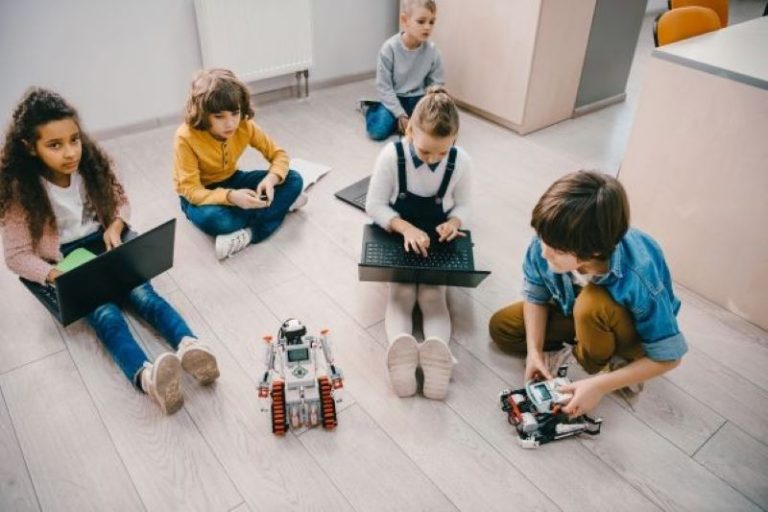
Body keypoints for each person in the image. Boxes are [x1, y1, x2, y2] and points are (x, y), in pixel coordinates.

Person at [0, 88, 219, 415]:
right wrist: (54, 274)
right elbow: (16, 256)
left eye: (74, 139)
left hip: (104, 242)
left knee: (146, 296)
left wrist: (116, 225)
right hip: (65, 260)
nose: (70, 152)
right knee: (105, 315)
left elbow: (120, 202)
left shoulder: (90, 165)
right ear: (29, 148)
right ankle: (147, 377)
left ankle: (190, 346)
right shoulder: (20, 191)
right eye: (55, 145)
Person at [489, 171, 688, 416]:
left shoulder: (639, 273)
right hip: (575, 310)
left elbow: (670, 357)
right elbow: (535, 295)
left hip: (626, 330)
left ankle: (610, 366)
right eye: (542, 241)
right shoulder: (552, 239)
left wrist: (598, 386)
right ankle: (583, 346)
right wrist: (534, 352)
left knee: (591, 304)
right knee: (502, 327)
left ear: (593, 251)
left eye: (556, 251)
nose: (543, 253)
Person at [366, 86, 470, 399]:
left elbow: (465, 206)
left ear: (455, 139)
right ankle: (401, 354)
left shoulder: (461, 161)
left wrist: (454, 222)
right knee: (401, 290)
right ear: (409, 129)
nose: (434, 159)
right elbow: (374, 205)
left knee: (433, 293)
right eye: (426, 152)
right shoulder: (391, 155)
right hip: (397, 233)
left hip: (437, 237)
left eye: (443, 152)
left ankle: (438, 357)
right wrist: (406, 228)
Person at [174, 68, 306, 260]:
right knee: (218, 221)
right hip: (199, 193)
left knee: (294, 179)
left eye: (234, 113)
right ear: (203, 114)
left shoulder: (244, 124)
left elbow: (279, 155)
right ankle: (279, 207)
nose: (230, 124)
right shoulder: (185, 137)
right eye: (219, 117)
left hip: (232, 179)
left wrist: (270, 179)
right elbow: (191, 190)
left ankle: (249, 233)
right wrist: (231, 197)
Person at [363, 0, 444, 141]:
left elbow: (435, 82)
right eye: (421, 21)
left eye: (431, 22)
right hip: (394, 97)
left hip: (419, 99)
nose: (427, 27)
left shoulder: (433, 51)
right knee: (377, 131)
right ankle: (371, 109)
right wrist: (400, 114)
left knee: (438, 127)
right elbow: (384, 87)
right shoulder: (389, 49)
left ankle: (404, 121)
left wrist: (435, 91)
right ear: (405, 20)